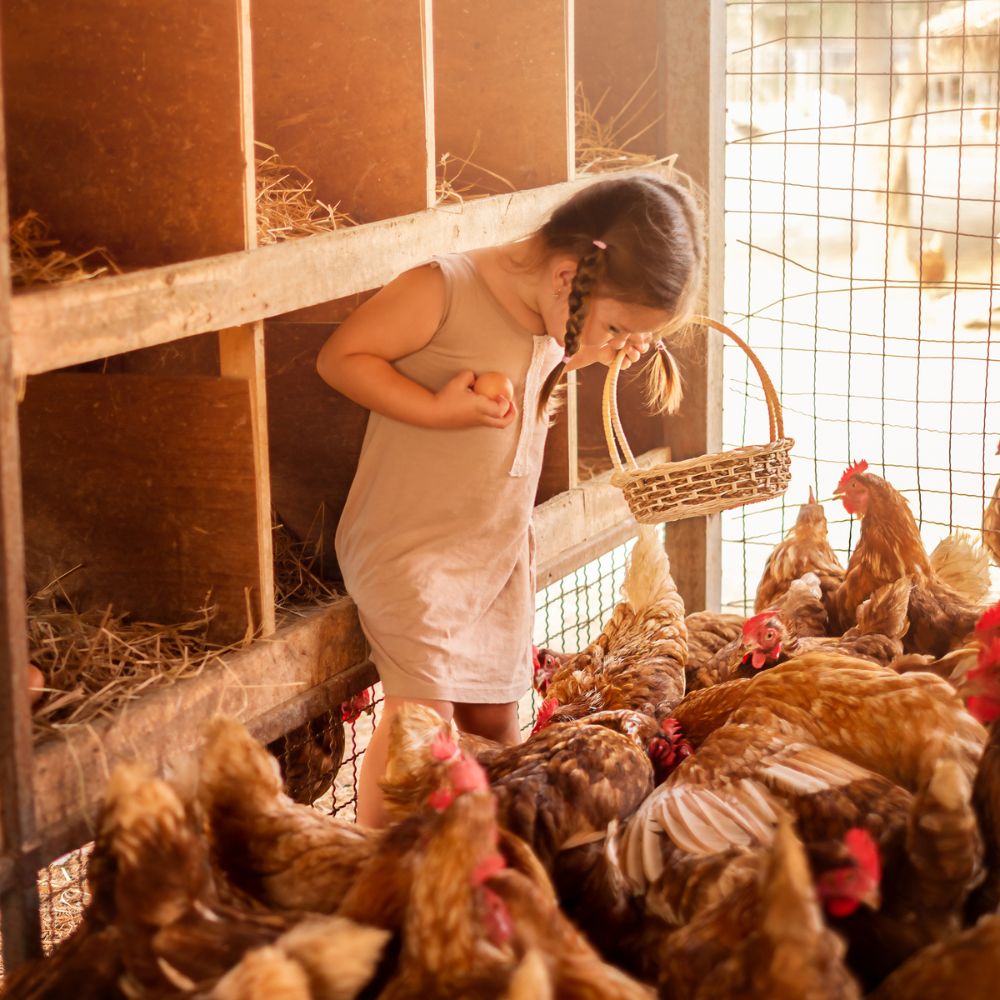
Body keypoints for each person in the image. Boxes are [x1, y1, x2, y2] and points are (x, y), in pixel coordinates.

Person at [316, 173, 705, 826]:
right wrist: (437, 409)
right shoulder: (444, 289)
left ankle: (473, 857)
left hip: (495, 551)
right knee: (424, 732)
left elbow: (548, 352)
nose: (616, 340)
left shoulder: (554, 312)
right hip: (413, 548)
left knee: (498, 727)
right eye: (614, 325)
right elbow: (341, 358)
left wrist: (602, 347)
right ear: (566, 277)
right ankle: (378, 867)